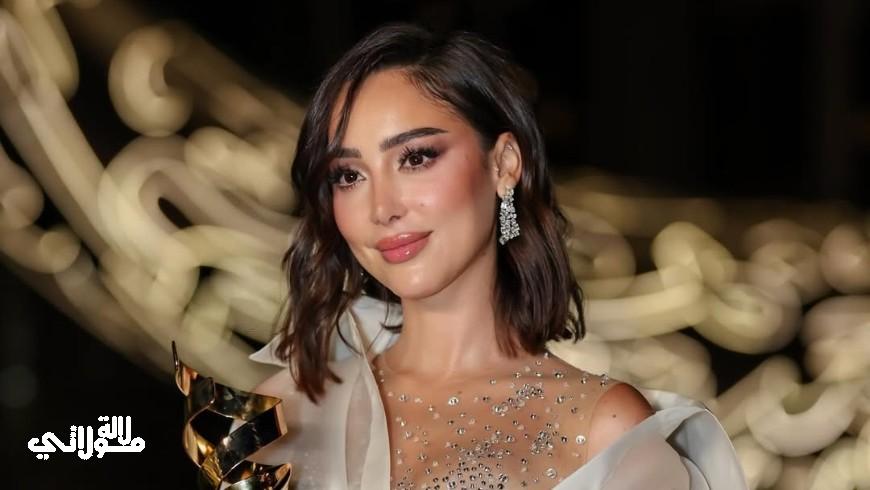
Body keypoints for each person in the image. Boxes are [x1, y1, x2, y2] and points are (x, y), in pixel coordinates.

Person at [246, 22, 747, 489]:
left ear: (504, 164)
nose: (382, 208)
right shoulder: (285, 411)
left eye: (415, 158)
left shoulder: (602, 429)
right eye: (349, 176)